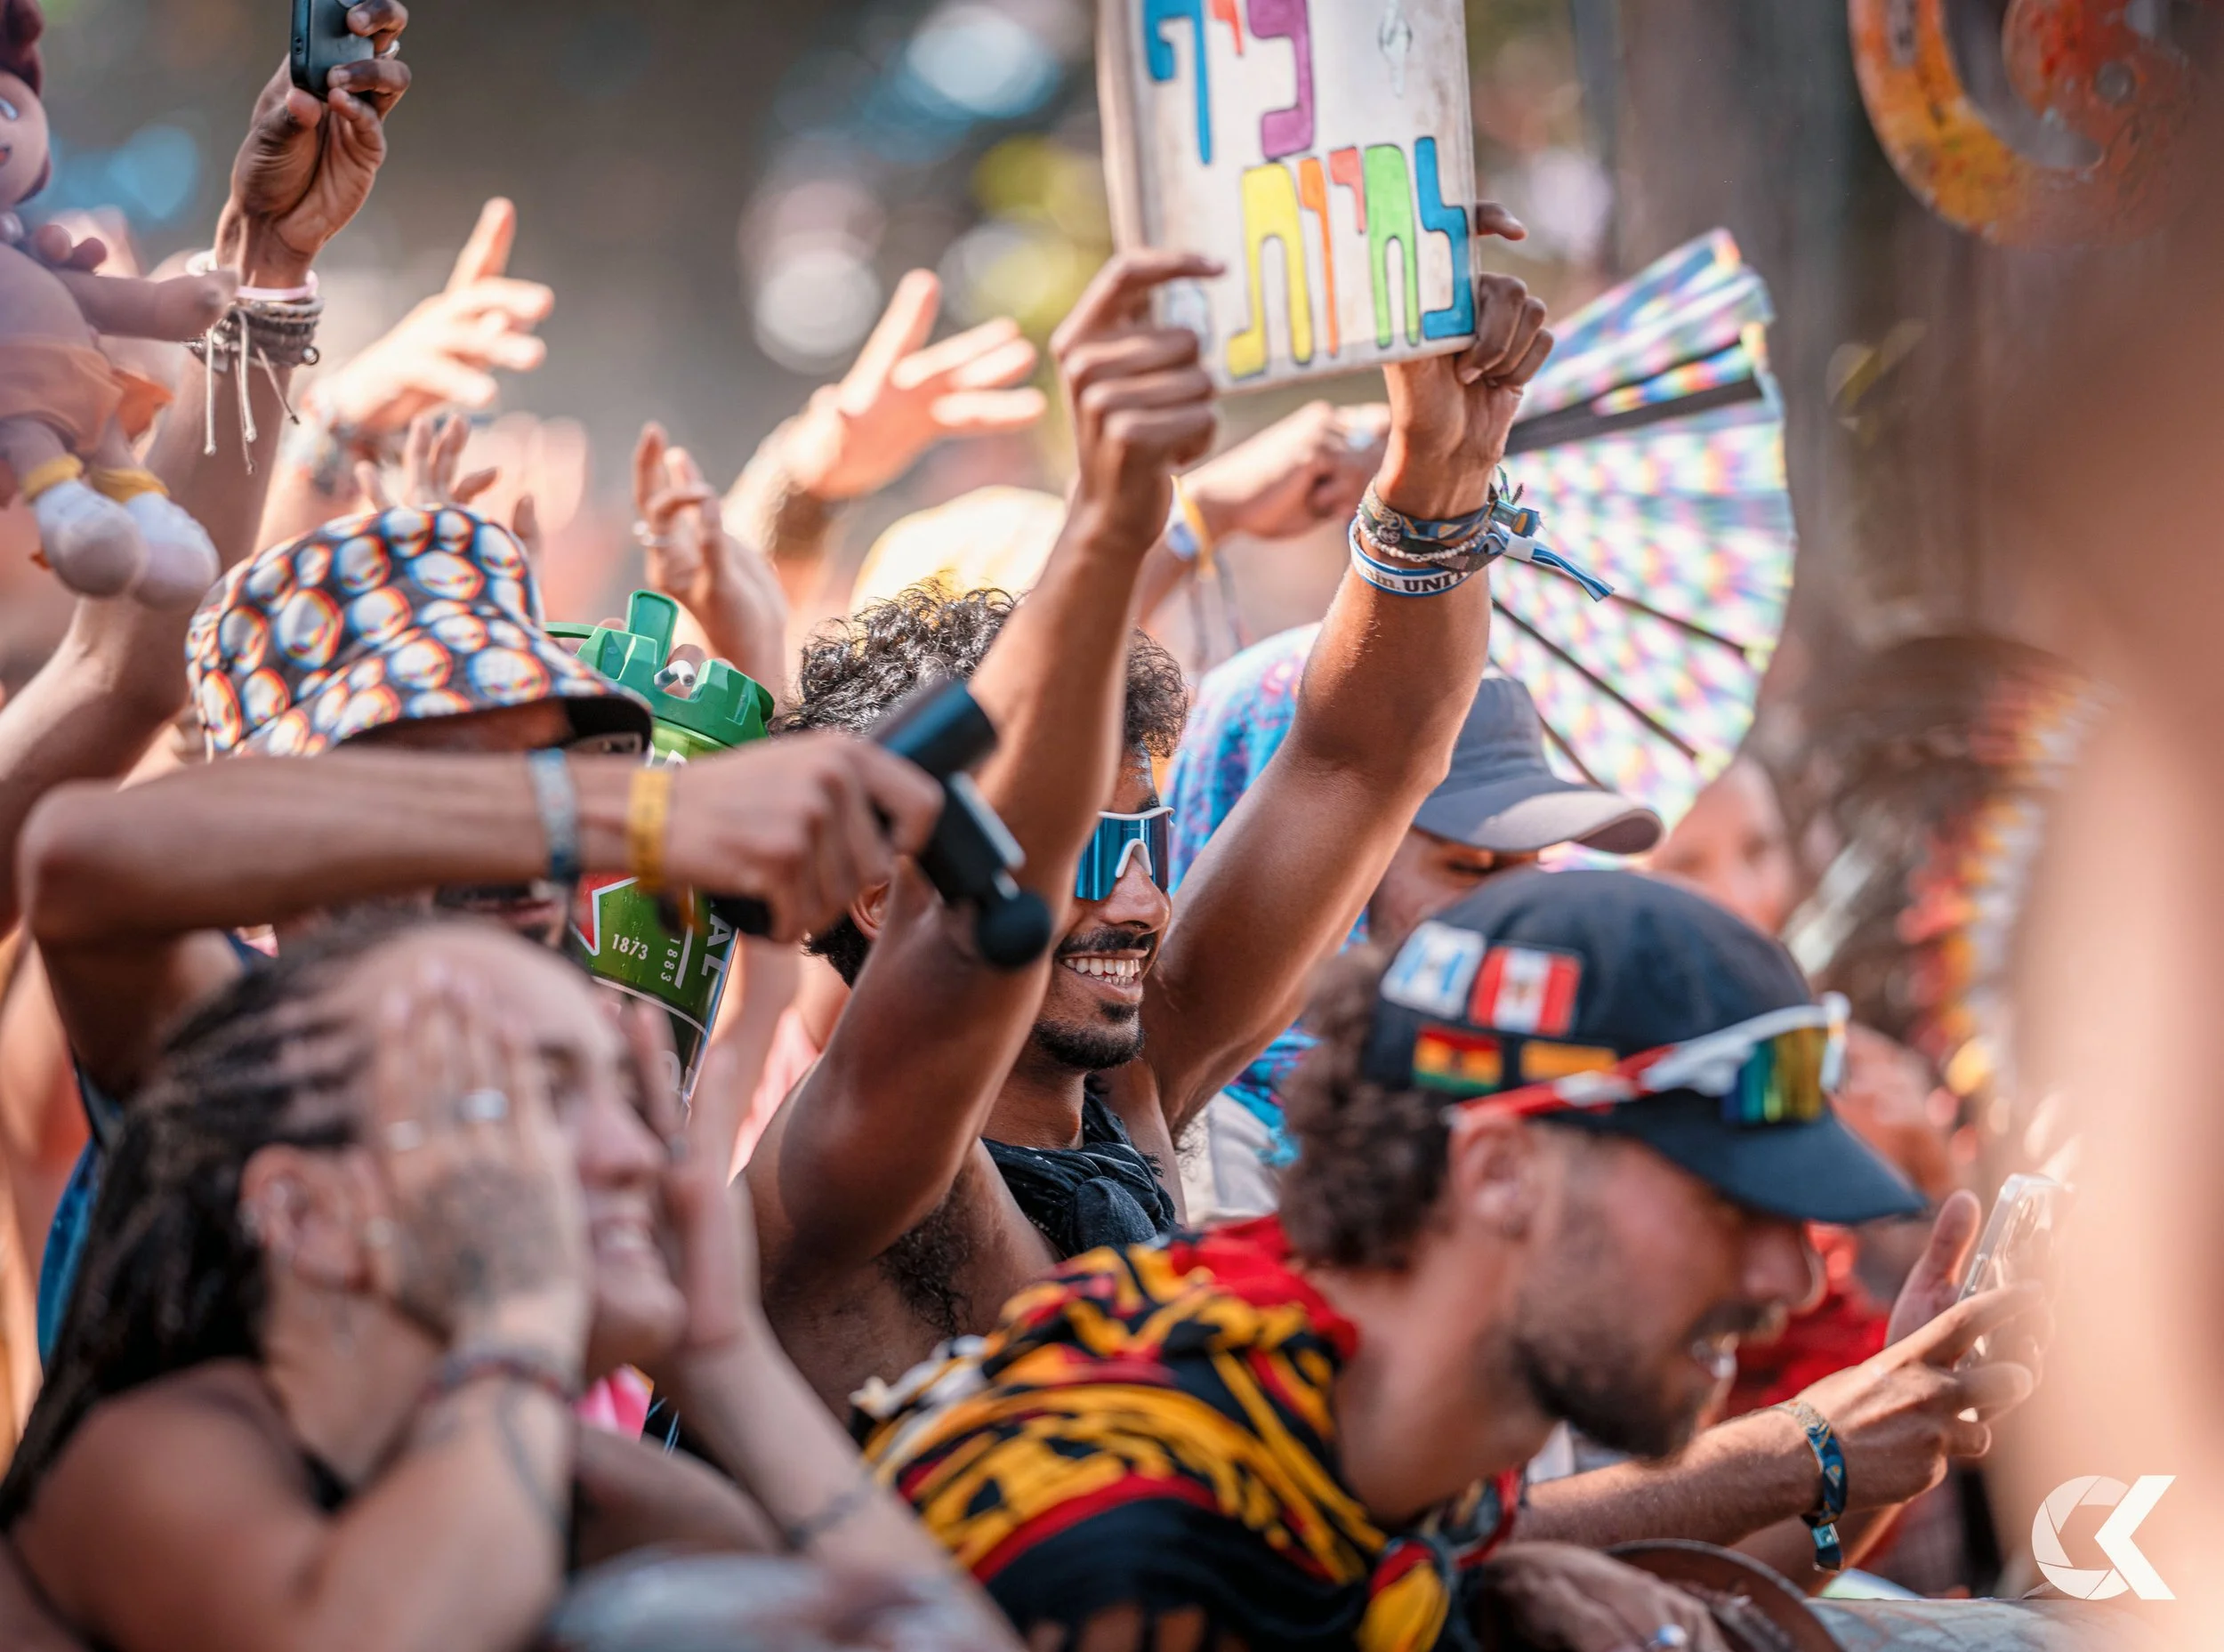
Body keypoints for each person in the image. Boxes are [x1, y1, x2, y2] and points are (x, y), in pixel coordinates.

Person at [751, 209, 1558, 1413]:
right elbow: (981, 920)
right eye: (1082, 847)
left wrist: (1440, 471)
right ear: (881, 889)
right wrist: (1117, 514)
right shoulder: (857, 1147)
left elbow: (1360, 762)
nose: (1138, 896)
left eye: (1147, 834)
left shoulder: (1128, 1083)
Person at [860, 871, 2045, 1648]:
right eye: (1732, 1204)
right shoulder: (1138, 1553)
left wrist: (1889, 1457)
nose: (1792, 1277)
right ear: (1498, 1173)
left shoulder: (1370, 1385)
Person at [19, 455, 942, 1352]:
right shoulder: (217, 1024)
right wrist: (632, 814)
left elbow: (750, 1017)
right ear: (284, 796)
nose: (525, 824)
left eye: (548, 760)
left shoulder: (551, 1073)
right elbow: (75, 858)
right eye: (459, 773)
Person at [1, 910, 1019, 1652]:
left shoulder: (600, 1494)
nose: (632, 1154)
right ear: (308, 1216)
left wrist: (722, 1355)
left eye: (626, 1097)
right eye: (531, 1097)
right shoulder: (156, 1455)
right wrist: (516, 1309)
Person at [1165, 632, 1663, 1221]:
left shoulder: (1496, 1081)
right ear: (1298, 865)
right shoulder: (1212, 1148)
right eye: (1468, 866)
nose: (1515, 910)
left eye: (1532, 868)